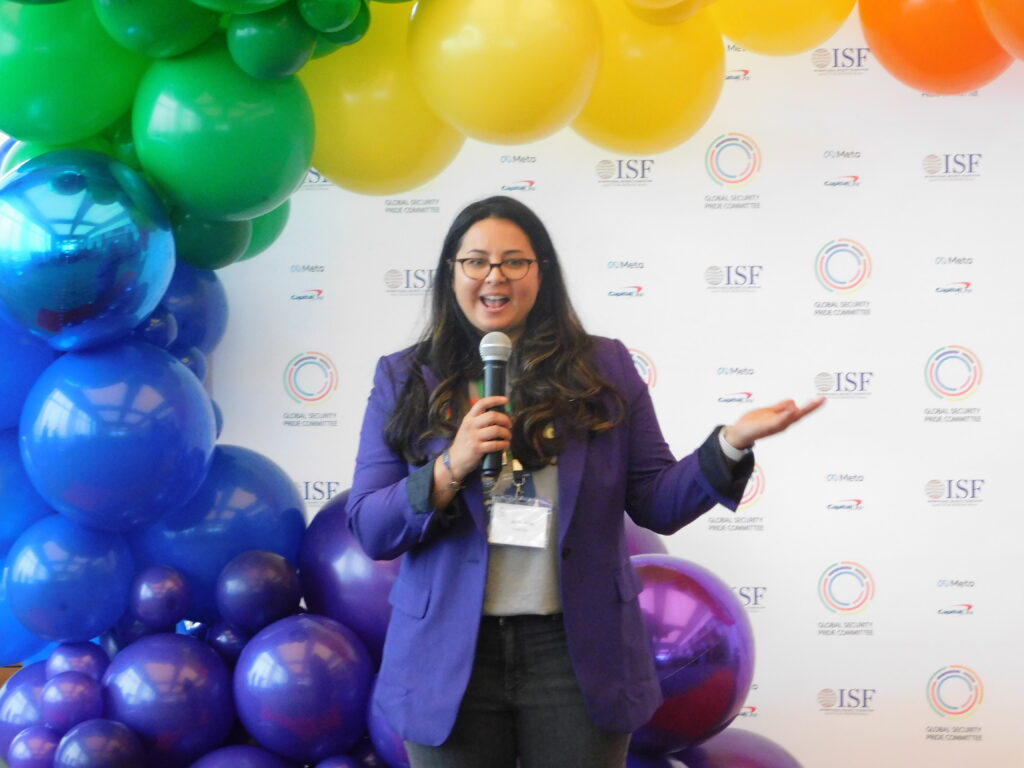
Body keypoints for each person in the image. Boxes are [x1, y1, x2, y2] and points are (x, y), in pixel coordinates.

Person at [346, 196, 822, 768]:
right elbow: (372, 526)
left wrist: (731, 443)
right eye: (476, 261)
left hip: (575, 655)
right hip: (450, 655)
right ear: (452, 274)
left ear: (541, 272)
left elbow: (657, 500)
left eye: (514, 261)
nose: (494, 276)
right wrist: (453, 464)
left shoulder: (602, 368)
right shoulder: (404, 377)